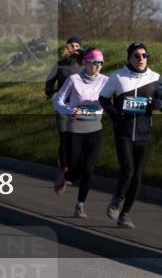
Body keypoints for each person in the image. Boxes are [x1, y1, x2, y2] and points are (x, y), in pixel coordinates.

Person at [99, 42, 162, 228]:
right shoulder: (117, 76)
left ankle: (125, 214)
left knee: (137, 175)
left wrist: (156, 104)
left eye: (144, 55)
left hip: (143, 133)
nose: (141, 59)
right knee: (128, 170)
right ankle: (117, 199)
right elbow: (103, 98)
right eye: (136, 56)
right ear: (129, 58)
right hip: (123, 131)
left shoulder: (155, 78)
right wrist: (114, 112)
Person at [53, 48, 108, 218]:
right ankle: (66, 174)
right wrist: (70, 110)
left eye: (100, 63)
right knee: (76, 170)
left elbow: (116, 98)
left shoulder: (106, 81)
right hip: (75, 128)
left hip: (95, 129)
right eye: (94, 63)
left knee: (89, 169)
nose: (97, 66)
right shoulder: (73, 79)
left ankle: (80, 205)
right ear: (85, 62)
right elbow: (57, 100)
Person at [45, 35, 84, 191]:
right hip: (63, 107)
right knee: (64, 138)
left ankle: (76, 170)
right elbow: (49, 80)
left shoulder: (84, 65)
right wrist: (49, 90)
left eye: (77, 45)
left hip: (79, 108)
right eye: (71, 45)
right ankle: (65, 171)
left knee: (78, 139)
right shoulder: (59, 65)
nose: (74, 48)